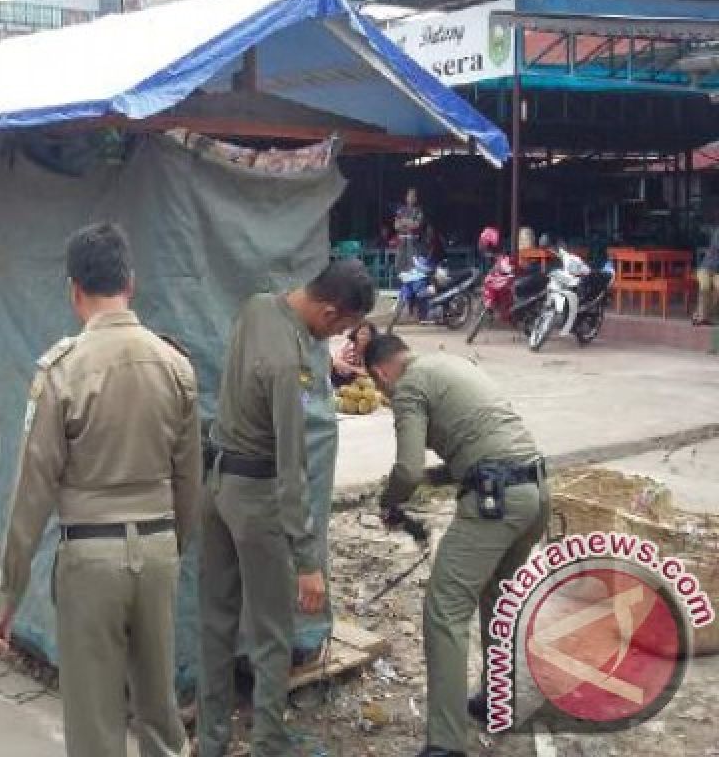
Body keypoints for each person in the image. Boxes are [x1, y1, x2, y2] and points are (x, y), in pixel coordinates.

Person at [0, 223, 202, 757]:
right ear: (132, 281)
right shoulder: (176, 366)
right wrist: (174, 547)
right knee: (160, 713)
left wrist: (8, 591)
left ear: (74, 290)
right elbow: (189, 479)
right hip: (158, 551)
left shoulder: (63, 369)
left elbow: (31, 490)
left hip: (89, 559)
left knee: (95, 724)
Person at [198, 260, 377, 757]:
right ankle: (268, 743)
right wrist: (307, 561)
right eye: (339, 326)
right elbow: (292, 466)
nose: (336, 336)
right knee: (273, 633)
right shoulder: (288, 364)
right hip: (257, 499)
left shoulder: (257, 307)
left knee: (216, 620)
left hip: (215, 486)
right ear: (328, 309)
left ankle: (211, 740)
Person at [363, 334, 548, 757]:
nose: (385, 395)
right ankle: (499, 701)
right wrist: (430, 481)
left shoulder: (408, 385)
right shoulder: (452, 365)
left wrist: (391, 501)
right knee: (496, 596)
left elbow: (406, 469)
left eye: (380, 388)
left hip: (496, 499)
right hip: (535, 491)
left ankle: (445, 744)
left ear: (380, 373)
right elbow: (477, 448)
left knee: (445, 608)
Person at [330, 321, 377, 388]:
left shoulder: (369, 350)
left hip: (354, 382)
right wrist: (356, 369)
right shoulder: (348, 344)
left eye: (368, 335)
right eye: (362, 333)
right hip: (338, 378)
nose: (365, 337)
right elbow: (336, 361)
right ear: (356, 334)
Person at [394, 187, 424, 272]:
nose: (410, 198)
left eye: (412, 196)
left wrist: (404, 222)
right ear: (406, 197)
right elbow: (396, 226)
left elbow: (416, 225)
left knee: (412, 266)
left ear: (415, 199)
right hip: (401, 241)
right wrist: (409, 222)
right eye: (409, 196)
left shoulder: (418, 211)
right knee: (399, 266)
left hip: (413, 241)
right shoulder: (400, 210)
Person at [694, 227, 719, 326]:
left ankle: (700, 315)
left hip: (717, 272)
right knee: (705, 288)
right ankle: (701, 317)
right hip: (705, 268)